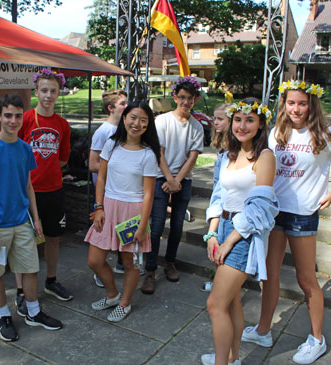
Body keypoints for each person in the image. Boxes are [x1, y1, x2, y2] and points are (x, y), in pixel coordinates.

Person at [241, 81, 331, 364]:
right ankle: (263, 330)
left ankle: (317, 339)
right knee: (268, 274)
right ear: (284, 103)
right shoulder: (276, 132)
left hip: (303, 213)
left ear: (312, 104)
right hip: (274, 212)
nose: (296, 109)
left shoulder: (325, 133)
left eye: (302, 103)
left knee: (306, 279)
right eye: (291, 103)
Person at [0, 94, 62, 342]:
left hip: (22, 223)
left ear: (23, 117)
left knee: (30, 269)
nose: (13, 121)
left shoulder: (24, 148)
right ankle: (4, 316)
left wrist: (36, 219)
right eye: (8, 115)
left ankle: (33, 312)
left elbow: (28, 187)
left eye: (18, 116)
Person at [201, 98, 277, 365]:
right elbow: (218, 198)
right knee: (231, 301)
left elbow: (260, 209)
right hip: (221, 228)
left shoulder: (265, 157)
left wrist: (229, 241)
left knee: (215, 304)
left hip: (244, 234)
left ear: (260, 124)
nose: (242, 125)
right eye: (238, 119)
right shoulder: (227, 156)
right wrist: (211, 234)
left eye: (250, 120)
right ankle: (231, 358)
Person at [85, 100, 160, 322]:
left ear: (148, 125)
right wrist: (98, 207)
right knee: (94, 260)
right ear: (125, 118)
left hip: (134, 214)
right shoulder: (112, 144)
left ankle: (125, 303)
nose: (137, 123)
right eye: (133, 117)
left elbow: (148, 194)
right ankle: (112, 295)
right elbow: (102, 179)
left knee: (131, 263)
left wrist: (142, 225)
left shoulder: (149, 154)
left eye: (143, 120)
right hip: (108, 209)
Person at [15, 69, 72, 315]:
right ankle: (20, 290)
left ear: (59, 94)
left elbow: (61, 159)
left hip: (54, 189)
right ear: (36, 92)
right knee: (23, 241)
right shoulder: (25, 119)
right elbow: (14, 151)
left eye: (53, 91)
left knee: (53, 236)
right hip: (27, 191)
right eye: (44, 91)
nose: (48, 96)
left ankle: (50, 280)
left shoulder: (62, 124)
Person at [141, 75, 204, 294]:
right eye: (182, 98)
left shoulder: (197, 127)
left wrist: (177, 181)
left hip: (182, 180)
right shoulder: (163, 121)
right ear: (175, 97)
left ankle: (170, 261)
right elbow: (159, 152)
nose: (186, 102)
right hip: (161, 177)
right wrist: (169, 178)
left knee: (177, 225)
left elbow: (193, 156)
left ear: (195, 100)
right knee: (157, 226)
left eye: (190, 99)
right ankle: (149, 270)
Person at [89, 89, 128, 287]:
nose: (126, 106)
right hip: (104, 193)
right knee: (103, 233)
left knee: (121, 228)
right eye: (122, 103)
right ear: (111, 108)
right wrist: (117, 169)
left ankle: (122, 263)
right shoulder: (103, 132)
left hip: (121, 191)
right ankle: (100, 270)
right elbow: (93, 163)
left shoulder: (126, 130)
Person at [201, 103, 231, 293]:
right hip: (219, 203)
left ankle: (225, 284)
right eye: (215, 118)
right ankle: (220, 280)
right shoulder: (223, 148)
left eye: (220, 119)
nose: (215, 122)